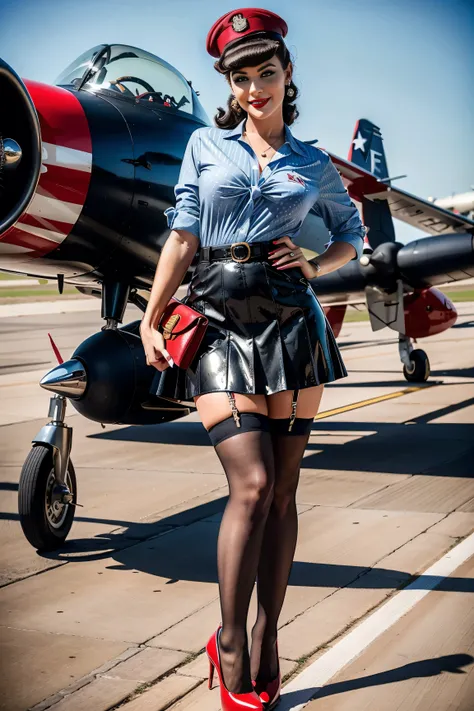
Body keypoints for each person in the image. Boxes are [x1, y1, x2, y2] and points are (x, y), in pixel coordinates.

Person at [140, 8, 365, 710]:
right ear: (232, 86)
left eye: (266, 71)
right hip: (217, 319)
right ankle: (231, 642)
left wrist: (314, 259)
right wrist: (150, 317)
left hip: (293, 322)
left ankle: (269, 635)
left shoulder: (312, 163)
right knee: (253, 484)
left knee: (286, 494)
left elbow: (351, 234)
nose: (255, 86)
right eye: (242, 76)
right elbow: (181, 236)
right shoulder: (206, 146)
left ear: (286, 73)